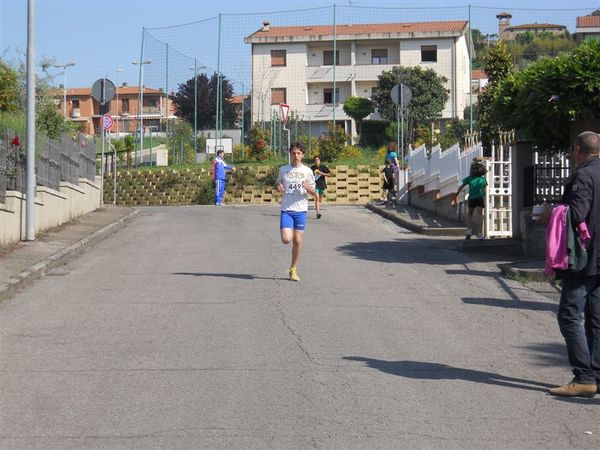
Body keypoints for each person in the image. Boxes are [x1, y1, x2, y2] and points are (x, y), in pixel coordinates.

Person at [549, 131, 600, 398]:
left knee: (569, 315)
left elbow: (577, 213)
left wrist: (552, 212)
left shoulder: (583, 175)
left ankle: (584, 377)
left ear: (578, 149)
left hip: (583, 257)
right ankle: (597, 375)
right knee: (596, 317)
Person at [276, 142, 316, 282]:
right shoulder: (283, 169)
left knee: (297, 239)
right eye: (294, 153)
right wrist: (279, 187)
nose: (296, 156)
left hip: (301, 210)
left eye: (299, 153)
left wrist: (307, 187)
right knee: (287, 239)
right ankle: (292, 267)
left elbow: (314, 193)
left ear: (303, 155)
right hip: (287, 209)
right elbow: (278, 184)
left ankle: (293, 268)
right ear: (290, 154)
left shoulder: (307, 171)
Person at [457, 160, 487, 240]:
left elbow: (461, 186)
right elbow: (484, 190)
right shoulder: (483, 180)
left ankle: (469, 232)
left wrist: (457, 192)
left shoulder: (469, 178)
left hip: (472, 199)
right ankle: (480, 234)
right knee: (480, 216)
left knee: (469, 215)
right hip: (480, 198)